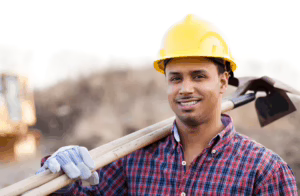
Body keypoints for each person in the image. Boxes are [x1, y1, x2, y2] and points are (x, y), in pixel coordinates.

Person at [37, 14, 298, 195]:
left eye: (198, 76)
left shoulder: (265, 170)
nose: (185, 88)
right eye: (175, 78)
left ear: (222, 82)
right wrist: (61, 177)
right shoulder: (133, 159)